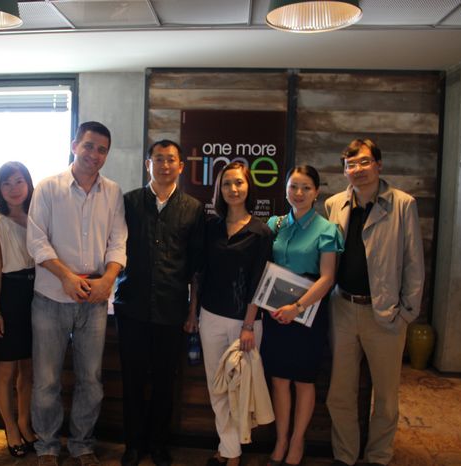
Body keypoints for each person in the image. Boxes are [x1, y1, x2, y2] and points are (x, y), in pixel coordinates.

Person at [26, 121, 128, 466]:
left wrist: (108, 279)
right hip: (50, 298)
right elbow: (36, 240)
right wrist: (66, 277)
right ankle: (47, 446)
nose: (94, 154)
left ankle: (82, 444)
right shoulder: (48, 187)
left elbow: (118, 241)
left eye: (101, 150)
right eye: (88, 146)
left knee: (91, 380)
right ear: (74, 146)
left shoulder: (112, 192)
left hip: (94, 301)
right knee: (46, 380)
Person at [325, 139, 424, 466]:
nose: (358, 170)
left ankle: (379, 456)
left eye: (364, 162)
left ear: (379, 165)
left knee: (385, 397)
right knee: (340, 393)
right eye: (351, 164)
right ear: (344, 170)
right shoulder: (334, 204)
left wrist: (406, 313)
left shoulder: (403, 204)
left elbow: (414, 262)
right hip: (342, 308)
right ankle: (345, 455)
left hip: (386, 313)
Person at [113, 140, 205, 466]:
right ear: (147, 164)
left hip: (172, 308)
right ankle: (133, 445)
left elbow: (196, 266)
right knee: (133, 380)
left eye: (171, 160)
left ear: (181, 166)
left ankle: (158, 444)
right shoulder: (128, 202)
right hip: (132, 306)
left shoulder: (193, 208)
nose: (165, 165)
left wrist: (192, 311)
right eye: (159, 159)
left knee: (165, 381)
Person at [190, 161, 274, 466]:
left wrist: (249, 325)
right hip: (210, 317)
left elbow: (260, 282)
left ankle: (229, 452)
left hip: (245, 323)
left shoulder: (261, 232)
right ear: (219, 189)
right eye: (227, 184)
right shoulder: (210, 227)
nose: (233, 189)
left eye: (239, 183)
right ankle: (230, 450)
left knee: (240, 389)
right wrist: (193, 313)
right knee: (218, 388)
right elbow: (199, 273)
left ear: (248, 187)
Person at [261, 165, 343, 466]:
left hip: (308, 313)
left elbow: (327, 277)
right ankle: (281, 440)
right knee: (279, 379)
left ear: (316, 192)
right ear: (285, 189)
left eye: (306, 187)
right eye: (293, 186)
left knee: (304, 380)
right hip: (275, 313)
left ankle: (297, 441)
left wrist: (297, 307)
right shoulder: (275, 224)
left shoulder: (327, 229)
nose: (298, 193)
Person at [0, 161, 37, 457]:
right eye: (7, 183)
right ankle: (11, 428)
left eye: (19, 181)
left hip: (37, 295)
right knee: (5, 370)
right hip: (9, 295)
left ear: (28, 184)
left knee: (28, 369)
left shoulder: (38, 216)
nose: (14, 188)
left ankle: (25, 423)